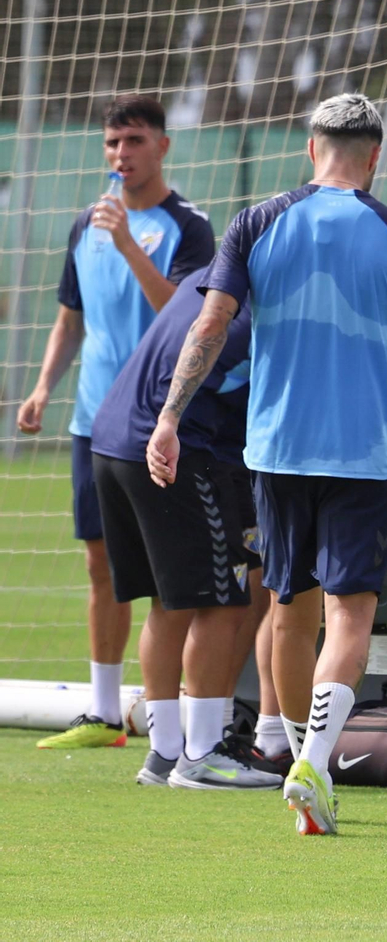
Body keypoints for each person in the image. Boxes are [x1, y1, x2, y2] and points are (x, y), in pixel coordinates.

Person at [146, 92, 387, 836]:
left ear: (311, 148)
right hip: (361, 453)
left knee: (289, 608)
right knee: (352, 612)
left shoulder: (258, 220)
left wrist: (170, 416)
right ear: (375, 156)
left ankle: (290, 757)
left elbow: (210, 323)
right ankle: (314, 759)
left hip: (275, 449)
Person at [21, 94, 214, 750]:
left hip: (157, 425)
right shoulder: (85, 224)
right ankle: (103, 713)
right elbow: (69, 318)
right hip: (92, 423)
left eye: (132, 140)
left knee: (170, 577)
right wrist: (44, 387)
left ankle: (184, 717)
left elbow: (185, 315)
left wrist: (130, 246)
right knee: (99, 562)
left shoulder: (188, 226)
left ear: (163, 146)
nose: (120, 155)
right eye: (111, 143)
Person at [90, 266, 278, 789]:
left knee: (170, 601)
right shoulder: (256, 318)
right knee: (223, 601)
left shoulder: (213, 277)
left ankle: (164, 754)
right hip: (172, 450)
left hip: (113, 443)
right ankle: (202, 755)